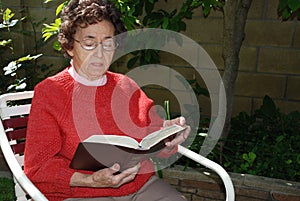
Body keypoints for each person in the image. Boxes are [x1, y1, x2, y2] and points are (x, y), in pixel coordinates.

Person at [24, 0, 191, 200]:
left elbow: (151, 139)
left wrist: (168, 135)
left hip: (137, 185)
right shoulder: (50, 93)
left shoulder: (126, 86)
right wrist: (90, 181)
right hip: (83, 191)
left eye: (108, 43)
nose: (100, 53)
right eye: (89, 43)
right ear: (69, 46)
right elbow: (38, 168)